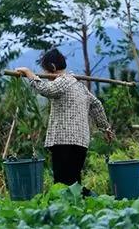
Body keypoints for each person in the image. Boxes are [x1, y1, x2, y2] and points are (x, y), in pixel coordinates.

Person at [15, 48, 114, 196]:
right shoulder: (78, 84)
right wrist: (105, 128)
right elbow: (96, 105)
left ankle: (91, 198)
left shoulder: (63, 80)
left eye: (46, 72)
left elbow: (46, 90)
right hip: (81, 141)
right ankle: (82, 208)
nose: (47, 76)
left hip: (64, 140)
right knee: (73, 181)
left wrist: (29, 74)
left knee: (62, 183)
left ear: (53, 68)